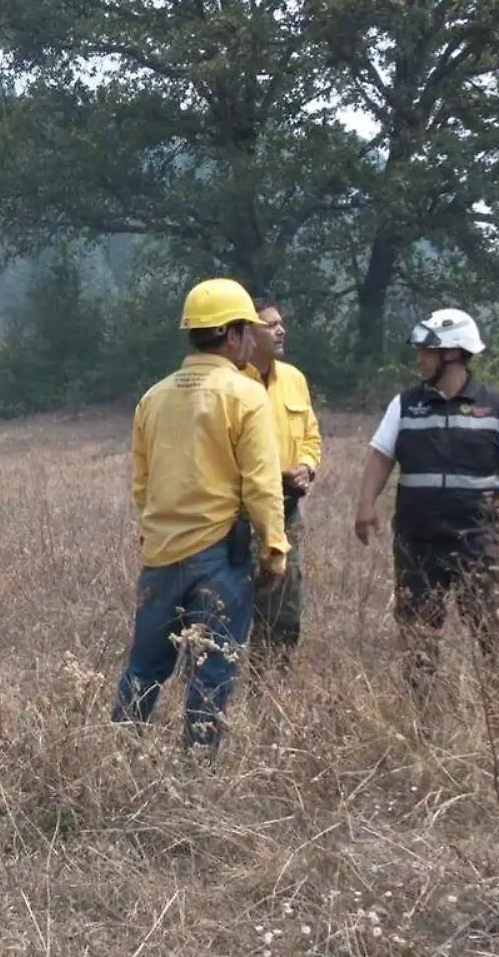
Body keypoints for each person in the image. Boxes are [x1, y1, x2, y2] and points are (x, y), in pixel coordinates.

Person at [113, 277, 290, 751]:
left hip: (160, 555)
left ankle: (116, 758)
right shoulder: (245, 396)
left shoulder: (153, 397)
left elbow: (142, 485)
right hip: (220, 561)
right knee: (212, 671)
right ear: (231, 334)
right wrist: (274, 550)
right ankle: (197, 774)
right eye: (247, 330)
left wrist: (157, 536)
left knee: (144, 667)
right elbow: (260, 485)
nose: (253, 339)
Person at [352, 308, 499, 695]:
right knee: (418, 633)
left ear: (453, 354)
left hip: (480, 541)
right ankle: (420, 716)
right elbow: (381, 456)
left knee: (496, 634)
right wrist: (365, 505)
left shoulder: (498, 406)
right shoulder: (404, 405)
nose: (418, 359)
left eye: (426, 351)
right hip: (418, 540)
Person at [240, 297, 323, 666]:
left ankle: (274, 686)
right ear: (247, 333)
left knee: (285, 610)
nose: (280, 330)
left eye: (281, 323)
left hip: (287, 512)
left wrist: (306, 465)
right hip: (239, 515)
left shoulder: (295, 379)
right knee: (237, 605)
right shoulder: (230, 382)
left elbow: (311, 435)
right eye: (270, 324)